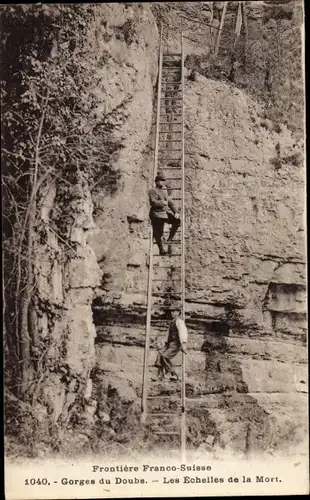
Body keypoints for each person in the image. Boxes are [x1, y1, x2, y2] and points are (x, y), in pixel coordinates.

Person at [149, 172, 181, 255]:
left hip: (164, 213)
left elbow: (170, 202)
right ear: (156, 182)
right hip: (157, 214)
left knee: (177, 221)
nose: (163, 182)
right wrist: (162, 202)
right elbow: (153, 202)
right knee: (158, 232)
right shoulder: (153, 191)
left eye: (164, 180)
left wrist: (176, 212)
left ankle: (169, 239)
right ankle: (161, 249)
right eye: (161, 180)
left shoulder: (164, 192)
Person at [154, 309, 188, 381]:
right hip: (170, 343)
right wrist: (164, 343)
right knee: (160, 354)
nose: (172, 313)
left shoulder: (179, 321)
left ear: (178, 312)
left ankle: (173, 374)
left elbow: (183, 332)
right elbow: (168, 335)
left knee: (165, 356)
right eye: (171, 311)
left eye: (174, 311)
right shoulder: (172, 323)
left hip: (176, 343)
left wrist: (183, 343)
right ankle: (161, 374)